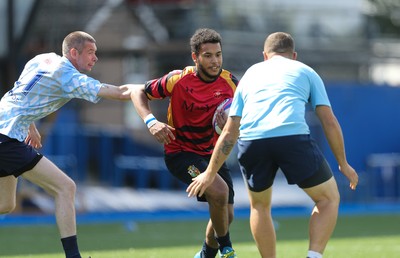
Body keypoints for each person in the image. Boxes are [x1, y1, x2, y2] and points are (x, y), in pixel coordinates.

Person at [187, 32, 359, 258]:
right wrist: (343, 164)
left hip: (252, 141)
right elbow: (329, 120)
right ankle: (313, 255)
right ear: (294, 55)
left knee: (259, 205)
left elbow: (230, 131)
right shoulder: (305, 71)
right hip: (291, 137)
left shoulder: (250, 74)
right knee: (328, 198)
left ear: (265, 56)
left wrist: (210, 172)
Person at [0, 31, 134, 258]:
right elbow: (119, 93)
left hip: (5, 130)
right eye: (91, 52)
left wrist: (29, 124)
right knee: (65, 187)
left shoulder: (41, 59)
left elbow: (19, 93)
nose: (96, 58)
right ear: (74, 52)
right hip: (6, 139)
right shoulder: (68, 76)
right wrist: (156, 87)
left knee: (6, 204)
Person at [130, 28, 238, 258]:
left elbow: (243, 117)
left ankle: (206, 254)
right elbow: (139, 92)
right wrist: (150, 121)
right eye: (208, 55)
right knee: (219, 192)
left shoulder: (231, 84)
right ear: (195, 57)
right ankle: (227, 249)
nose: (215, 60)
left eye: (218, 54)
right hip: (180, 152)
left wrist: (229, 122)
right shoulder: (178, 80)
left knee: (226, 216)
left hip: (212, 153)